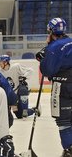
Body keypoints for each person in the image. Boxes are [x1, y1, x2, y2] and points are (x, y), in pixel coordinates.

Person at [36, 17, 72, 156]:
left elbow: (47, 70)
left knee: (63, 121)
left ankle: (69, 150)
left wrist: (43, 59)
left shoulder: (53, 47)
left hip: (62, 86)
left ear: (51, 30)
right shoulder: (69, 41)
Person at [0, 55, 39, 119]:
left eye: (1, 62)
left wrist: (24, 76)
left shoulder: (16, 67)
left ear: (6, 62)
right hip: (10, 95)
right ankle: (35, 110)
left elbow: (30, 70)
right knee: (19, 115)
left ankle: (25, 110)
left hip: (19, 91)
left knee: (23, 90)